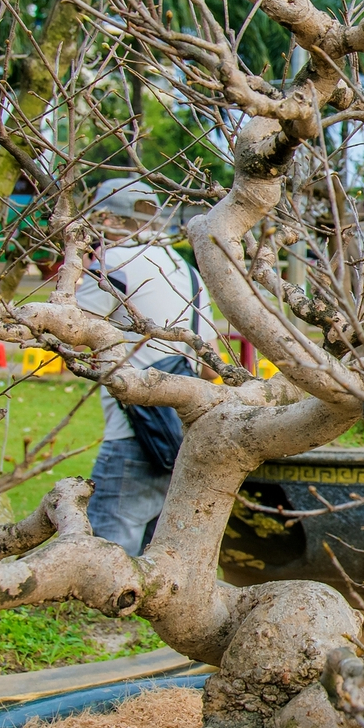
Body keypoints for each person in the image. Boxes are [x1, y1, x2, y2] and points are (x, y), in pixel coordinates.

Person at [75, 178, 212, 556]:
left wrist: (76, 270)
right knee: (158, 554)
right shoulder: (186, 271)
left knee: (109, 550)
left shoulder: (113, 266)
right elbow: (210, 360)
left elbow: (71, 329)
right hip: (182, 428)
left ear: (106, 217)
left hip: (136, 430)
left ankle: (108, 617)